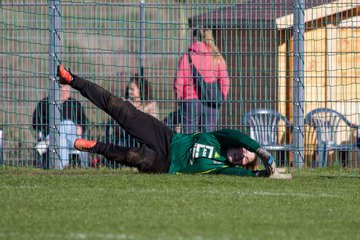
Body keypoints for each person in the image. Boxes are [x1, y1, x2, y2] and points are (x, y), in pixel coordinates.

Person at [56, 64, 285, 178]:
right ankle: (72, 79)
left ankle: (95, 147)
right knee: (119, 107)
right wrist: (261, 151)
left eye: (245, 159)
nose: (242, 155)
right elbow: (238, 135)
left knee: (135, 157)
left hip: (166, 165)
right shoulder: (218, 139)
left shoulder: (221, 168)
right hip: (168, 138)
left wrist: (263, 174)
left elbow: (244, 176)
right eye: (245, 151)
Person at [174, 28, 230, 133]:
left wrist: (179, 99)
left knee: (189, 134)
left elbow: (179, 81)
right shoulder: (215, 56)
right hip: (211, 100)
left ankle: (189, 149)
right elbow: (224, 80)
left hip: (190, 100)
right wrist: (222, 95)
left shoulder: (187, 56)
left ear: (194, 37)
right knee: (208, 135)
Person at [32, 84, 88, 169]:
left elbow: (84, 121)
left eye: (68, 88)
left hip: (73, 138)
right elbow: (36, 124)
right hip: (52, 135)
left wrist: (81, 127)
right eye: (64, 88)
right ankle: (63, 169)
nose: (66, 90)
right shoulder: (44, 103)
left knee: (67, 124)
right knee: (62, 136)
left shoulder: (74, 104)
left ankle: (48, 143)